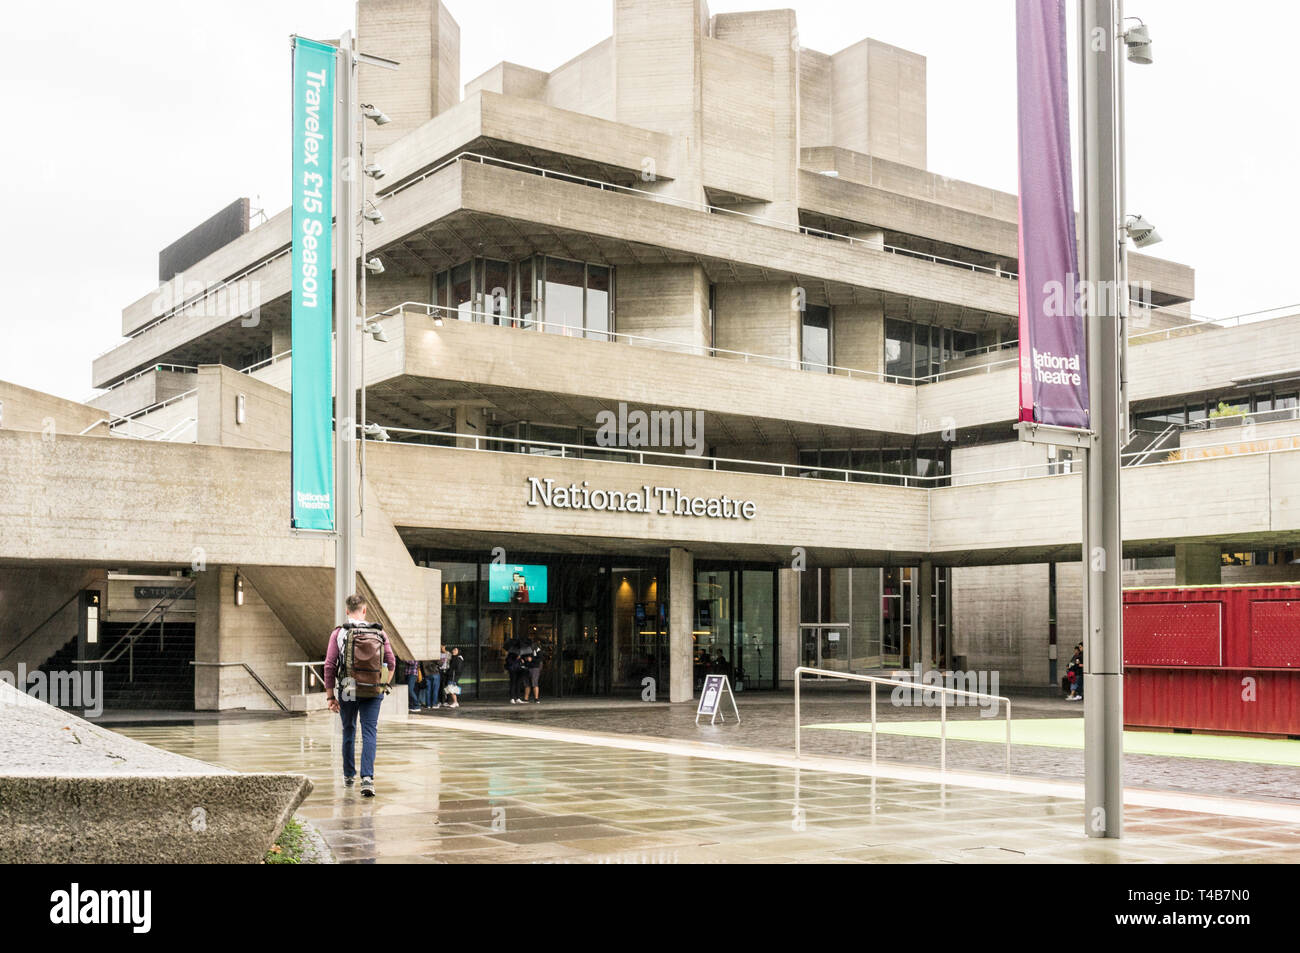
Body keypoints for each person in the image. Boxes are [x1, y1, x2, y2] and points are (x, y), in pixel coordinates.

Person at [325, 593, 395, 798]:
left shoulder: (339, 632)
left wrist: (330, 696)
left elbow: (330, 666)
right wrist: (382, 684)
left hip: (347, 685)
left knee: (348, 730)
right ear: (364, 610)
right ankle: (367, 779)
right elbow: (391, 662)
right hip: (374, 687)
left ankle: (348, 775)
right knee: (369, 732)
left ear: (347, 611)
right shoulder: (380, 633)